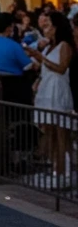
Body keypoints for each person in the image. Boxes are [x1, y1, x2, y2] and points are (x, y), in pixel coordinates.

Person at [25, 10, 74, 181]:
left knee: (61, 132)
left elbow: (61, 68)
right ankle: (55, 166)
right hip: (46, 87)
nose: (46, 28)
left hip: (57, 88)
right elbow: (47, 66)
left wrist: (40, 57)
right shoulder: (48, 46)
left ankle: (63, 169)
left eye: (49, 25)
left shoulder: (64, 45)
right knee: (49, 130)